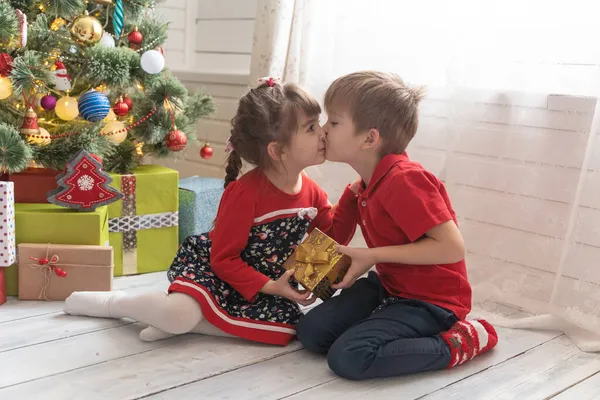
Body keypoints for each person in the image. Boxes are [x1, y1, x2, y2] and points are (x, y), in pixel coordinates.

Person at [63, 78, 356, 346]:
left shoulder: (312, 192)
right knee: (179, 313)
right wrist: (269, 285)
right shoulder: (246, 193)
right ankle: (114, 304)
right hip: (219, 274)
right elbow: (224, 259)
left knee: (285, 332)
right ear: (277, 150)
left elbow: (331, 240)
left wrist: (354, 197)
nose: (324, 133)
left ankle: (183, 323)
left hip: (263, 285)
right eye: (311, 127)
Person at [296, 71, 498, 380]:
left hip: (431, 301)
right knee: (311, 332)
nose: (323, 131)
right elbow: (335, 236)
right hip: (390, 286)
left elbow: (452, 247)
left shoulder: (406, 180)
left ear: (369, 138)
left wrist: (373, 256)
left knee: (349, 357)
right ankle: (384, 321)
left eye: (333, 123)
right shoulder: (365, 184)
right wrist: (301, 276)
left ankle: (462, 341)